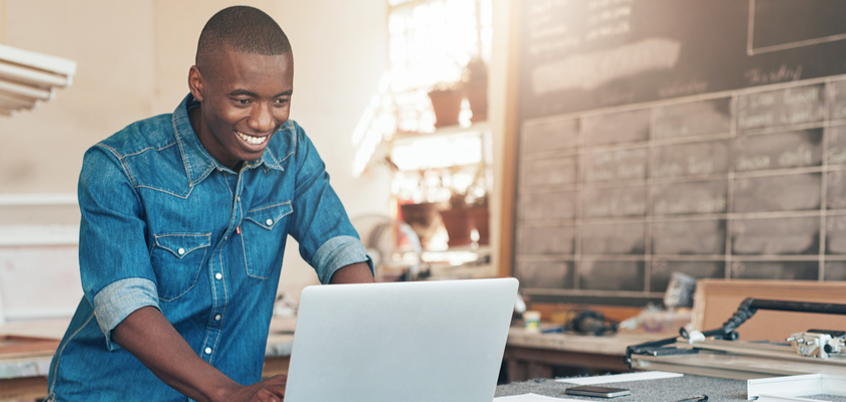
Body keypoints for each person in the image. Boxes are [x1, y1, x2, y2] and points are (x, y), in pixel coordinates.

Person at [46, 6, 374, 402]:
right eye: (243, 100)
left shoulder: (292, 154)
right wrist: (227, 391)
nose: (264, 121)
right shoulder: (118, 167)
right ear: (198, 84)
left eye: (280, 101)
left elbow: (341, 253)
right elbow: (126, 308)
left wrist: (350, 357)